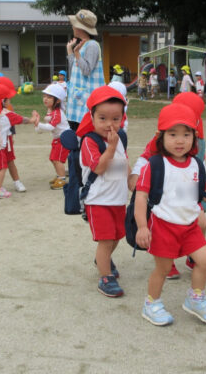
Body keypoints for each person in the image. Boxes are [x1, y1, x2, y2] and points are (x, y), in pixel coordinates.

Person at [135, 103, 206, 326]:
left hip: (189, 225)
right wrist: (142, 226)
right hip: (164, 226)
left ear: (195, 138)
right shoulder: (155, 164)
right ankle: (152, 303)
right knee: (164, 268)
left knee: (205, 259)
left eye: (186, 134)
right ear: (161, 137)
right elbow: (141, 196)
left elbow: (204, 192)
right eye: (173, 134)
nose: (180, 140)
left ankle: (195, 298)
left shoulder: (196, 164)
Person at [76, 86, 129, 298]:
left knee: (117, 237)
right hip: (98, 200)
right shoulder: (90, 141)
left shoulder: (119, 138)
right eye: (103, 118)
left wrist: (136, 182)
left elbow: (121, 165)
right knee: (106, 240)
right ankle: (105, 278)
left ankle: (102, 260)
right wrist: (110, 147)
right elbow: (99, 167)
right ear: (92, 117)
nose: (110, 124)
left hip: (117, 200)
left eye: (116, 118)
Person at [0, 76, 39, 193]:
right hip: (3, 141)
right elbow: (22, 120)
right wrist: (34, 118)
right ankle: (7, 184)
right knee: (8, 162)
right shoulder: (5, 113)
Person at [66, 9, 105, 131]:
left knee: (84, 133)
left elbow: (86, 70)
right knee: (74, 131)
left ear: (80, 28)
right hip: (78, 98)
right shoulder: (82, 44)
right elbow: (74, 69)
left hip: (86, 99)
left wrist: (76, 53)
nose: (72, 27)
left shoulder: (92, 45)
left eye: (74, 24)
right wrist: (70, 51)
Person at [35, 84, 69, 190]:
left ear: (58, 101)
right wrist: (38, 126)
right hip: (57, 139)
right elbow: (43, 128)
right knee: (53, 158)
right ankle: (59, 176)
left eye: (49, 97)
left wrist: (38, 124)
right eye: (45, 96)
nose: (45, 99)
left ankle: (62, 179)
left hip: (63, 139)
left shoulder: (57, 113)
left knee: (57, 159)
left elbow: (50, 127)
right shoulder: (52, 112)